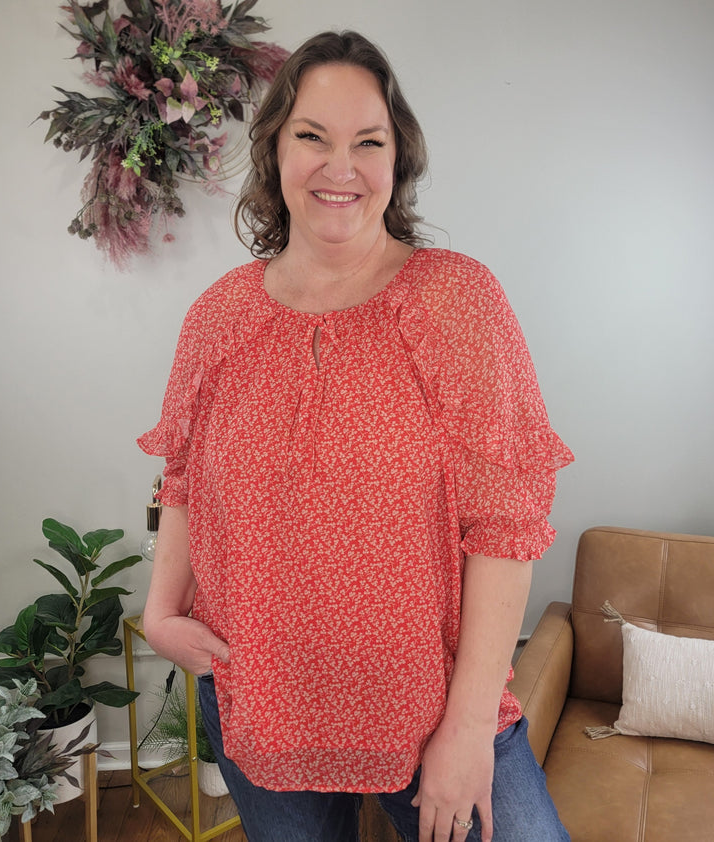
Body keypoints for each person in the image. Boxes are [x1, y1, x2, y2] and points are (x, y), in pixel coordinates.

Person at [138, 30, 574, 842]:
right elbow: (188, 480)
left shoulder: (457, 302)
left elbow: (507, 526)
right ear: (274, 150)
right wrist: (162, 610)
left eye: (367, 142)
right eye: (313, 137)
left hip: (434, 709)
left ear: (396, 159)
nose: (341, 168)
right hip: (262, 700)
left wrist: (468, 730)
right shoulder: (220, 317)